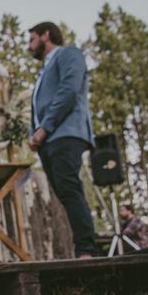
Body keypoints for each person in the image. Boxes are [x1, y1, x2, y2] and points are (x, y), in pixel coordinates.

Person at [27, 21, 98, 258]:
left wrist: (44, 129)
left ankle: (87, 250)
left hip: (65, 132)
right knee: (65, 192)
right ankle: (84, 246)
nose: (29, 46)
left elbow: (68, 90)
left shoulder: (68, 54)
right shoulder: (43, 71)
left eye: (32, 39)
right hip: (48, 139)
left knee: (69, 187)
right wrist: (34, 133)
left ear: (46, 34)